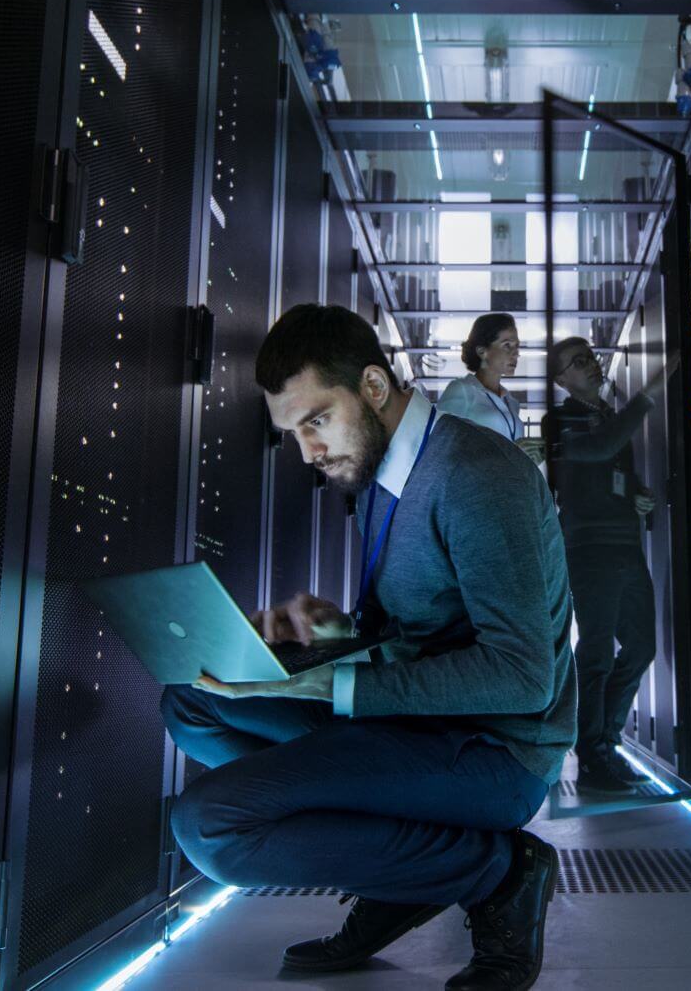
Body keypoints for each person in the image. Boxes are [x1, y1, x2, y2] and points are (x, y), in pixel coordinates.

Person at [161, 304, 576, 991]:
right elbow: (410, 634)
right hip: (414, 722)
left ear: (375, 388)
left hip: (494, 752)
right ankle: (404, 865)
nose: (307, 452)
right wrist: (322, 638)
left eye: (316, 420)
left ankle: (495, 872)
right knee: (192, 700)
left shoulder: (477, 475)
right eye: (294, 432)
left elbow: (523, 676)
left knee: (211, 827)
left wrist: (332, 685)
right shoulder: (387, 475)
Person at [543, 336, 678, 794]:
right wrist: (647, 397)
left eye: (591, 357)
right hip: (589, 549)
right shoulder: (559, 419)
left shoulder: (605, 417)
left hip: (625, 543)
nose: (592, 365)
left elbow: (610, 466)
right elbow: (599, 448)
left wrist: (637, 494)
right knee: (597, 652)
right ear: (561, 379)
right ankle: (593, 754)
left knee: (641, 649)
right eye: (578, 362)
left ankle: (607, 742)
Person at [438, 313, 544, 463]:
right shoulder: (462, 390)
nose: (516, 353)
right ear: (482, 351)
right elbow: (440, 446)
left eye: (517, 346)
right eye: (507, 345)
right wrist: (510, 453)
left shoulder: (511, 402)